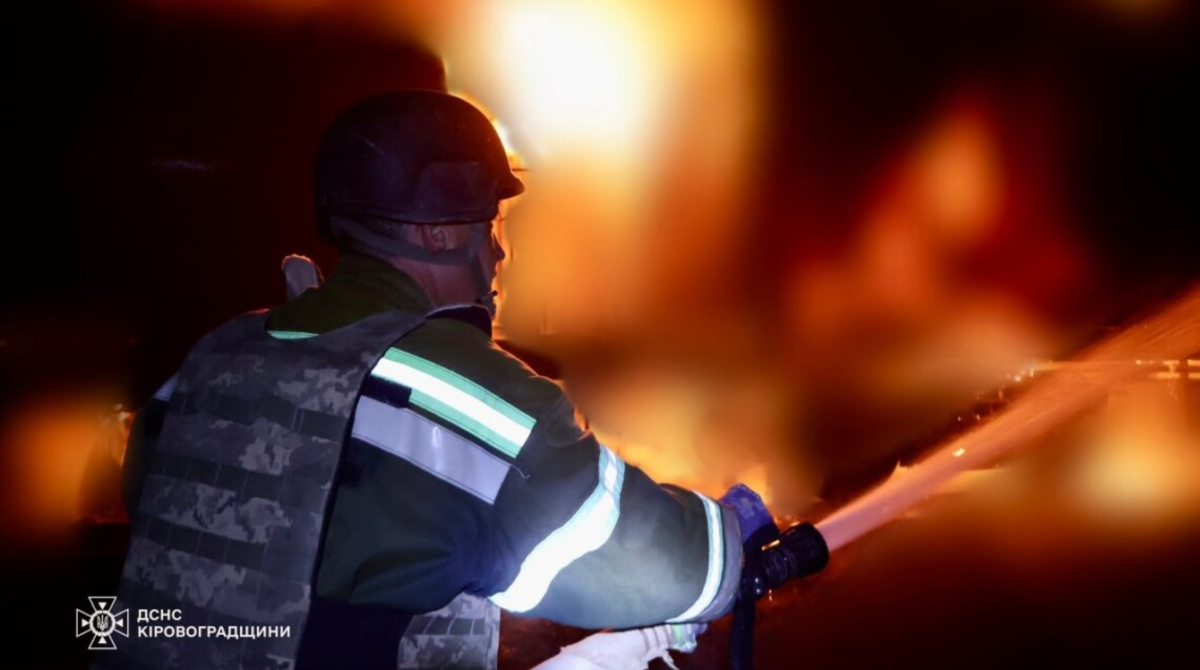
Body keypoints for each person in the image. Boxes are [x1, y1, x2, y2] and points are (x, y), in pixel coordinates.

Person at [106, 90, 786, 670]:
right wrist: (729, 533)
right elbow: (669, 570)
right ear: (439, 235)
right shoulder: (467, 397)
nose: (499, 251)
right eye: (490, 225)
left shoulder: (211, 358)